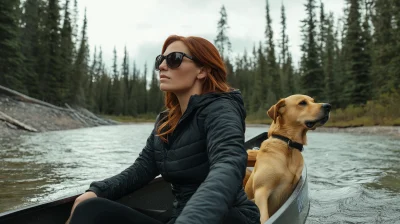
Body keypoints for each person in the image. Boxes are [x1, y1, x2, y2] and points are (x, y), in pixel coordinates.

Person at [66, 35, 260, 224]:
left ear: (202, 70)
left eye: (174, 59)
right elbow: (142, 169)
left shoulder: (221, 109)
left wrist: (192, 219)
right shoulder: (166, 122)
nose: (161, 66)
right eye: (161, 59)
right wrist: (98, 191)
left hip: (226, 216)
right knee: (90, 209)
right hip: (180, 215)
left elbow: (228, 164)